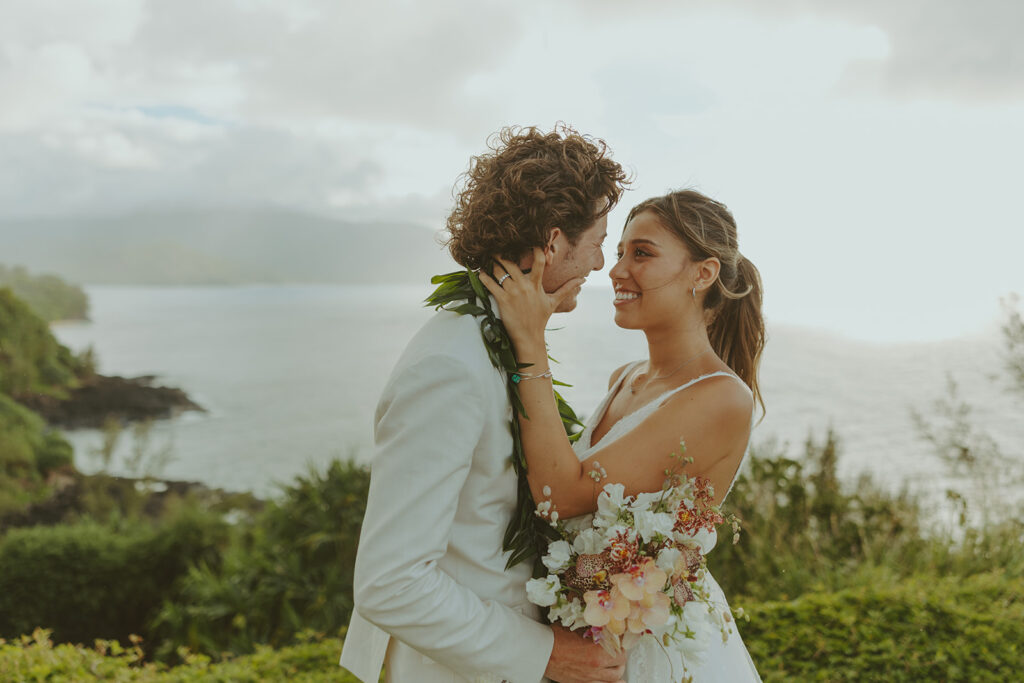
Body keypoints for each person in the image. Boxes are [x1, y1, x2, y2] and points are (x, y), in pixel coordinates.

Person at [339, 125, 632, 683]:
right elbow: (390, 583)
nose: (599, 263)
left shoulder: (504, 342)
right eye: (596, 240)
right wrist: (545, 652)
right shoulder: (450, 365)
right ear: (552, 244)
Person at [480, 189, 765, 681]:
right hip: (592, 639)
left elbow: (561, 495)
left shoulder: (722, 398)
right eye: (618, 253)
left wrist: (529, 341)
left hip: (659, 651)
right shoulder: (625, 378)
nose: (616, 270)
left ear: (704, 273)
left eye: (642, 254)